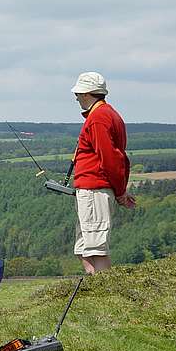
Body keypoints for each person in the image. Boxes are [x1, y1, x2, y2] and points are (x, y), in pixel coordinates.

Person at [71, 71, 136, 275]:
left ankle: (107, 292)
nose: (77, 98)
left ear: (88, 93)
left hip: (94, 189)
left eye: (79, 94)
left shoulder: (98, 118)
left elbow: (110, 158)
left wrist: (120, 192)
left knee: (96, 248)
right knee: (84, 247)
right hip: (91, 188)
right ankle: (95, 288)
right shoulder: (108, 114)